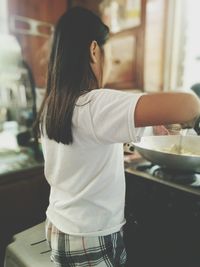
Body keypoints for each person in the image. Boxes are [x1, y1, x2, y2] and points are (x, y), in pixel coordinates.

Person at [35, 7, 200, 267]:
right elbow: (189, 105)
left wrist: (152, 124)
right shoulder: (95, 103)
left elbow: (84, 148)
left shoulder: (53, 105)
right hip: (91, 238)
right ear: (93, 50)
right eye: (108, 55)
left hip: (61, 225)